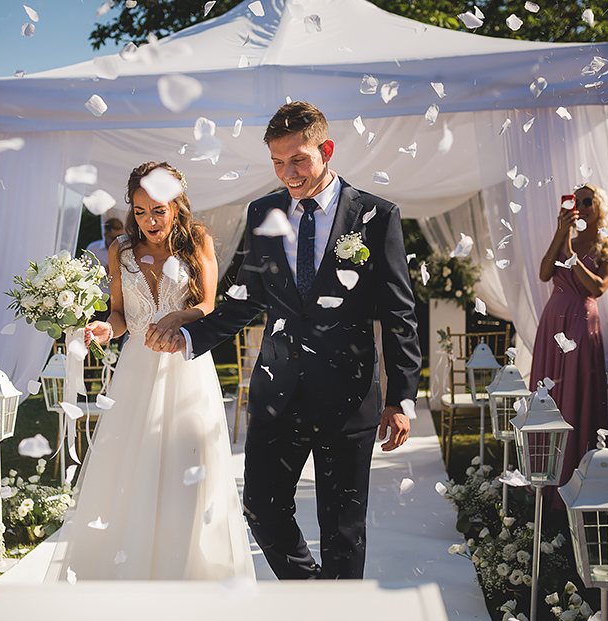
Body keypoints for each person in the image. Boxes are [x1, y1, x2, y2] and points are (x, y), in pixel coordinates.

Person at [150, 101, 422, 580]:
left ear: (326, 150)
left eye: (298, 160)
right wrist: (190, 335)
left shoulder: (376, 216)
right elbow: (245, 298)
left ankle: (335, 613)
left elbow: (399, 313)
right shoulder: (263, 212)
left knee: (342, 529)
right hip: (278, 391)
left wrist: (400, 398)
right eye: (277, 162)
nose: (288, 173)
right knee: (261, 508)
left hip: (348, 396)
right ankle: (315, 592)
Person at [50, 162, 255, 581]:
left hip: (186, 368)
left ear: (177, 204)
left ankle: (186, 566)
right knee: (131, 465)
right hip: (137, 372)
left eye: (158, 210)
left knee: (187, 465)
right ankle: (134, 561)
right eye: (140, 211)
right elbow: (120, 315)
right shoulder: (120, 250)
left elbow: (209, 305)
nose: (149, 221)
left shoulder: (198, 240)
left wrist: (178, 317)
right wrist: (105, 329)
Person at [531, 184, 608, 488]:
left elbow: (598, 287)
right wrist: (561, 234)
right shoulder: (565, 238)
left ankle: (575, 479)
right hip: (553, 321)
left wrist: (571, 256)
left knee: (576, 393)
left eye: (587, 201)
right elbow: (544, 274)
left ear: (600, 205)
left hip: (582, 322)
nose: (580, 207)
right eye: (575, 202)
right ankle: (543, 477)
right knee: (549, 393)